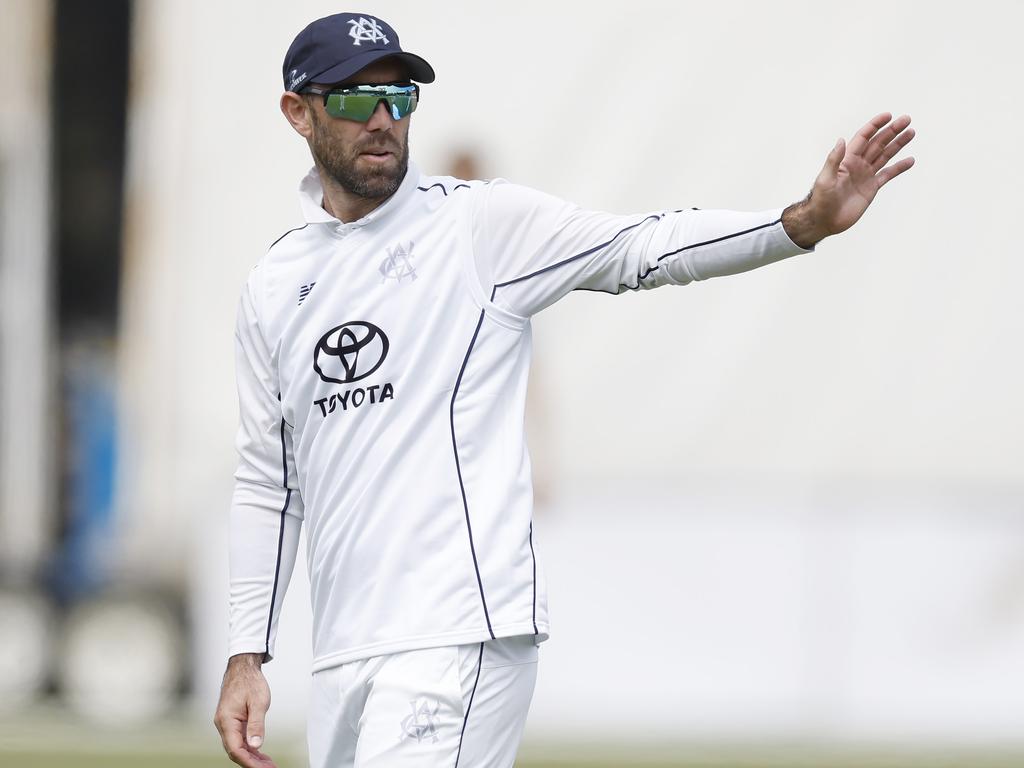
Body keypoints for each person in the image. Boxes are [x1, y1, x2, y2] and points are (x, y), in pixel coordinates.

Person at [213, 11, 915, 768]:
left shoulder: (478, 224)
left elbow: (642, 245)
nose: (384, 120)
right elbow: (268, 482)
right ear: (299, 112)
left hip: (458, 635)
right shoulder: (275, 285)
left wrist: (801, 221)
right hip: (343, 652)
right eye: (357, 101)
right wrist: (247, 652)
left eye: (401, 98)